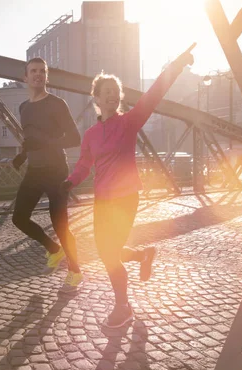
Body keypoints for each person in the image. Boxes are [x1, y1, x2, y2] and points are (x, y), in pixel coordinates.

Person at [62, 44, 196, 327]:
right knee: (105, 250)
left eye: (115, 91)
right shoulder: (91, 134)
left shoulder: (130, 122)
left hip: (125, 197)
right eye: (105, 91)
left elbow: (154, 93)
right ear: (96, 98)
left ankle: (122, 307)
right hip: (103, 200)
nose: (112, 95)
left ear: (119, 97)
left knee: (109, 251)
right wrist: (70, 182)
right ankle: (144, 255)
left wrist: (178, 63)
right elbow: (84, 165)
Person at [11, 57, 82, 293]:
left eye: (42, 71)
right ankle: (53, 249)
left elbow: (74, 138)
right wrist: (22, 154)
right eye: (33, 71)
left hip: (56, 171)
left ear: (46, 76)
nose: (38, 75)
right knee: (19, 218)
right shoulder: (24, 107)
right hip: (34, 170)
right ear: (25, 77)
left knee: (60, 224)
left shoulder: (57, 104)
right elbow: (31, 139)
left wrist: (45, 143)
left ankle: (75, 271)